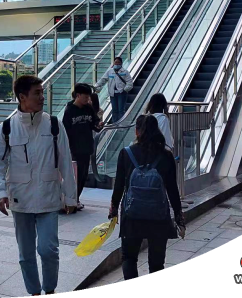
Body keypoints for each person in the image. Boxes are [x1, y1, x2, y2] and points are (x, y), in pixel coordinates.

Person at [0, 75, 77, 296]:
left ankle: (50, 289)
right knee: (26, 254)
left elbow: (66, 162)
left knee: (48, 250)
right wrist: (0, 193)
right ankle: (34, 292)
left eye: (42, 92)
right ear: (22, 97)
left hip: (49, 197)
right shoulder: (6, 128)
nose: (42, 97)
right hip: (20, 200)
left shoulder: (54, 125)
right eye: (37, 93)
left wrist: (71, 197)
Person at [108, 115, 184, 280]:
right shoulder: (166, 156)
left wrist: (113, 210)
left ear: (137, 132)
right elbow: (172, 189)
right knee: (156, 264)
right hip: (158, 216)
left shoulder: (126, 153)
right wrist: (179, 217)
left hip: (132, 216)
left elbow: (119, 186)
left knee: (129, 258)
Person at [62, 84, 102, 210]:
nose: (87, 99)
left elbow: (94, 123)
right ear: (78, 95)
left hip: (86, 147)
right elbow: (65, 131)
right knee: (75, 176)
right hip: (74, 149)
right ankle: (71, 200)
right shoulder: (69, 110)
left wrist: (99, 124)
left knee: (83, 175)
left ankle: (76, 199)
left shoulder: (88, 108)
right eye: (85, 97)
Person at [94, 57, 133, 124]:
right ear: (113, 63)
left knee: (121, 110)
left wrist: (125, 90)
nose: (117, 64)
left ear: (121, 63)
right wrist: (97, 85)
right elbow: (103, 79)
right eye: (116, 62)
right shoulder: (110, 72)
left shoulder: (125, 72)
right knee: (114, 110)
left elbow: (130, 82)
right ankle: (115, 124)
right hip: (113, 94)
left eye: (118, 63)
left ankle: (121, 124)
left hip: (122, 93)